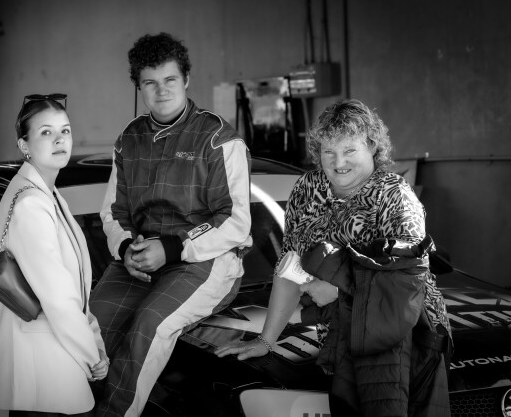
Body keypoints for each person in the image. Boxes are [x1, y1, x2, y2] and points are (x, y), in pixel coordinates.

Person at [215, 99, 452, 416]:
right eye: (329, 151)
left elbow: (408, 276)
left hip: (406, 337)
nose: (339, 162)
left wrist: (339, 290)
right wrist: (266, 341)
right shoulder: (308, 187)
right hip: (342, 336)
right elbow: (290, 265)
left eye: (349, 150)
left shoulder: (394, 194)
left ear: (371, 145)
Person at [89, 32, 252, 417]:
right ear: (139, 86)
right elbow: (114, 212)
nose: (161, 91)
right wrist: (127, 249)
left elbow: (235, 221)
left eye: (170, 80)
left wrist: (173, 248)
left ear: (186, 79)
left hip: (205, 261)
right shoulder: (128, 140)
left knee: (150, 324)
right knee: (87, 329)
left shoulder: (218, 138)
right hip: (139, 262)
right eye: (150, 82)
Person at [0, 93, 109, 416]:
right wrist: (92, 355)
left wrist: (95, 344)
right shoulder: (31, 204)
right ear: (24, 145)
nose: (59, 139)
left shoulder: (46, 195)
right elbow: (58, 296)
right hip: (43, 370)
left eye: (65, 130)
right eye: (46, 132)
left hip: (48, 361)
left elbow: (76, 292)